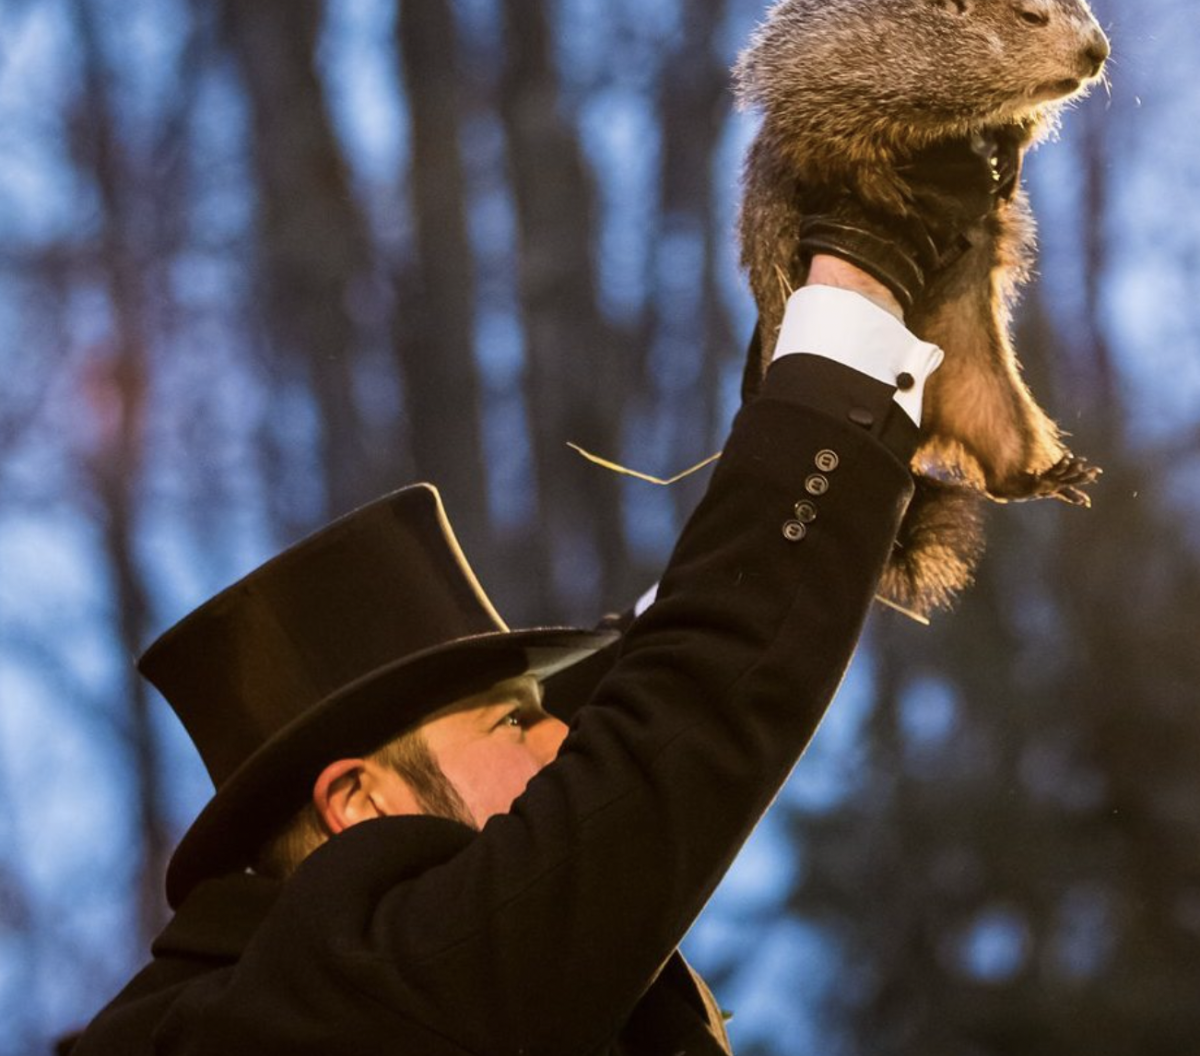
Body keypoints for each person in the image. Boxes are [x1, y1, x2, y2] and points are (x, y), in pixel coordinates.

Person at [69, 136, 1013, 1055]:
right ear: (360, 802)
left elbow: (640, 693)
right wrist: (855, 299)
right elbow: (665, 749)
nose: (562, 735)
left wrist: (815, 445)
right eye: (512, 724)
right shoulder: (327, 1012)